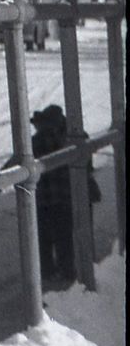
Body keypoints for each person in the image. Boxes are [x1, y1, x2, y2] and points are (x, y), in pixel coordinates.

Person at [31, 102, 104, 287]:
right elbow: (87, 162)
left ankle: (51, 271)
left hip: (46, 197)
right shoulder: (75, 137)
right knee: (66, 236)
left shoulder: (39, 141)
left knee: (46, 237)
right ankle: (72, 269)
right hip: (69, 194)